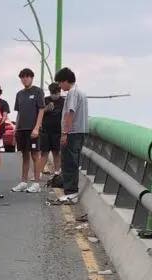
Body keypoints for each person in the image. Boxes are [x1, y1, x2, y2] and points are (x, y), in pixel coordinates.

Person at [55, 67, 88, 204]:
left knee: (69, 162)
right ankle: (71, 192)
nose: (60, 86)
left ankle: (71, 193)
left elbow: (70, 113)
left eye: (60, 83)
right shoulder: (80, 92)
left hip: (72, 133)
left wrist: (64, 133)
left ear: (66, 81)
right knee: (73, 162)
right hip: (79, 132)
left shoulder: (73, 93)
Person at [11, 68, 46, 193]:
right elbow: (19, 112)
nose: (25, 79)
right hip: (22, 129)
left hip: (33, 129)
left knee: (35, 155)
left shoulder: (37, 91)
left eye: (27, 77)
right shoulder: (19, 94)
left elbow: (41, 109)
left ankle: (36, 183)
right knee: (24, 155)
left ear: (31, 78)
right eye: (22, 77)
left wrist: (37, 127)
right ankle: (23, 182)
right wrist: (16, 128)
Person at [39, 83, 65, 178]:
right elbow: (39, 113)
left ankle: (57, 172)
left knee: (56, 152)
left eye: (56, 92)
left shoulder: (63, 102)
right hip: (45, 131)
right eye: (52, 93)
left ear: (59, 92)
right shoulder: (45, 100)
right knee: (44, 152)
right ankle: (39, 172)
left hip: (58, 131)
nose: (54, 95)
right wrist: (46, 109)